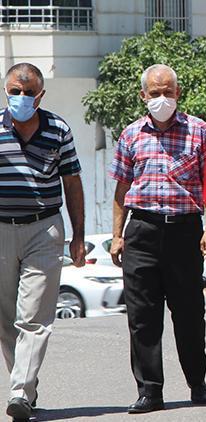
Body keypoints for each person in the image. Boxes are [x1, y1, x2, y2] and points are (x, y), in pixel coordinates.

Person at [109, 64, 206, 414]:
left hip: (184, 230)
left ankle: (197, 382)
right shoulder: (130, 135)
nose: (161, 99)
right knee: (142, 316)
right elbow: (121, 187)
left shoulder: (200, 131)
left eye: (167, 92)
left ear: (178, 93)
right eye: (154, 93)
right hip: (141, 230)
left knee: (189, 313)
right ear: (143, 96)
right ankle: (150, 391)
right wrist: (116, 235)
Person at [0, 62, 85, 420]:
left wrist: (79, 235)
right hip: (1, 229)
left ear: (40, 96)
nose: (21, 98)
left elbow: (73, 183)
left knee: (34, 317)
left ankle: (19, 392)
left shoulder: (58, 130)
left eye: (28, 92)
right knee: (5, 320)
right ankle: (28, 387)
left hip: (44, 229)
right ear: (6, 91)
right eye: (14, 91)